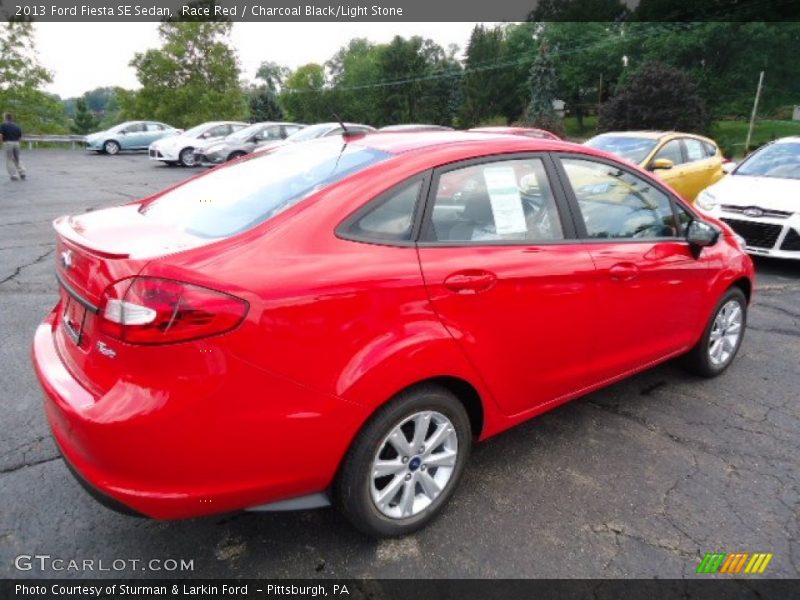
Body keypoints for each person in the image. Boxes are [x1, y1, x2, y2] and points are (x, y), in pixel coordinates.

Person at [0, 113, 26, 181]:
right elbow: (20, 137)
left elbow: (1, 135)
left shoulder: (3, 125)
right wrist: (18, 143)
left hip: (8, 143)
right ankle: (22, 172)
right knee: (17, 158)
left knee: (9, 159)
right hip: (16, 143)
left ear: (5, 118)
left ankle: (13, 175)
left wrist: (2, 142)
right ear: (11, 118)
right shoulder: (16, 126)